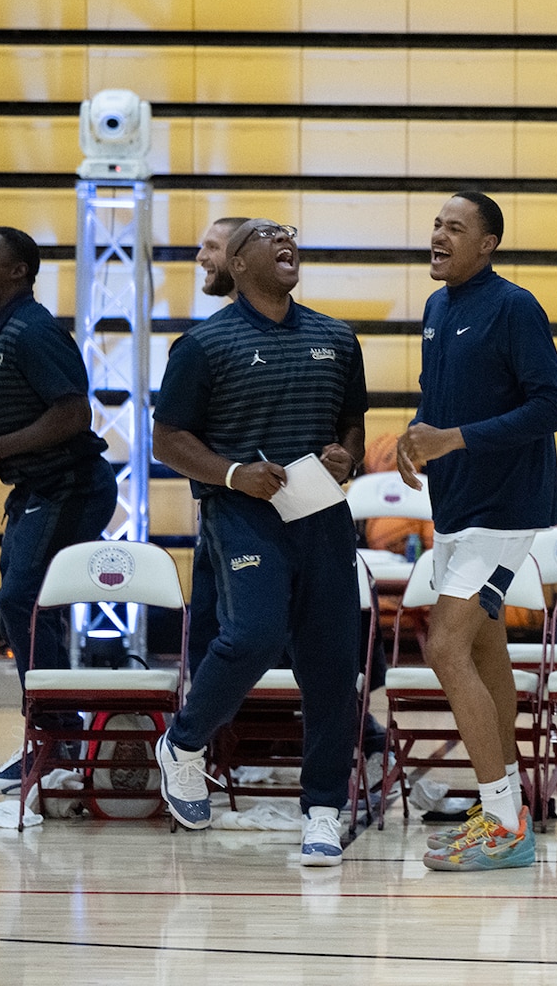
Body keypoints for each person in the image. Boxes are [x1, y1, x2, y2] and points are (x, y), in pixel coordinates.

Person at [152, 219, 368, 867]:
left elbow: (352, 423)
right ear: (239, 264)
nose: (286, 241)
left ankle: (323, 810)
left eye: (290, 234)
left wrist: (345, 457)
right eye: (267, 235)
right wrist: (232, 473)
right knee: (255, 634)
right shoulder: (202, 345)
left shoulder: (337, 338)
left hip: (321, 513)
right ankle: (184, 744)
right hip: (241, 511)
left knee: (333, 663)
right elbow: (167, 441)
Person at [395, 192, 557, 871]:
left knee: (445, 646)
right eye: (437, 224)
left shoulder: (515, 307)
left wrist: (453, 439)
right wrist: (418, 435)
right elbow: (440, 399)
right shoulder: (438, 310)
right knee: (488, 654)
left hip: (505, 507)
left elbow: (551, 407)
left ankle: (502, 820)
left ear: (488, 243)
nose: (439, 235)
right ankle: (511, 806)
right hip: (458, 507)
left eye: (455, 228)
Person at [0, 226, 117, 794]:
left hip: (72, 487)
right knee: (31, 606)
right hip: (36, 489)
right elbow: (23, 423)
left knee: (21, 599)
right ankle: (55, 740)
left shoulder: (33, 330)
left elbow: (75, 414)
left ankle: (54, 742)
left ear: (19, 271)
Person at [187, 216, 248, 681]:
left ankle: (362, 734)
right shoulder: (205, 340)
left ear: (242, 258)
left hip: (270, 512)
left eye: (211, 247)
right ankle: (209, 742)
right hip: (220, 506)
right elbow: (172, 437)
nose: (200, 258)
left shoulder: (309, 334)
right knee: (208, 630)